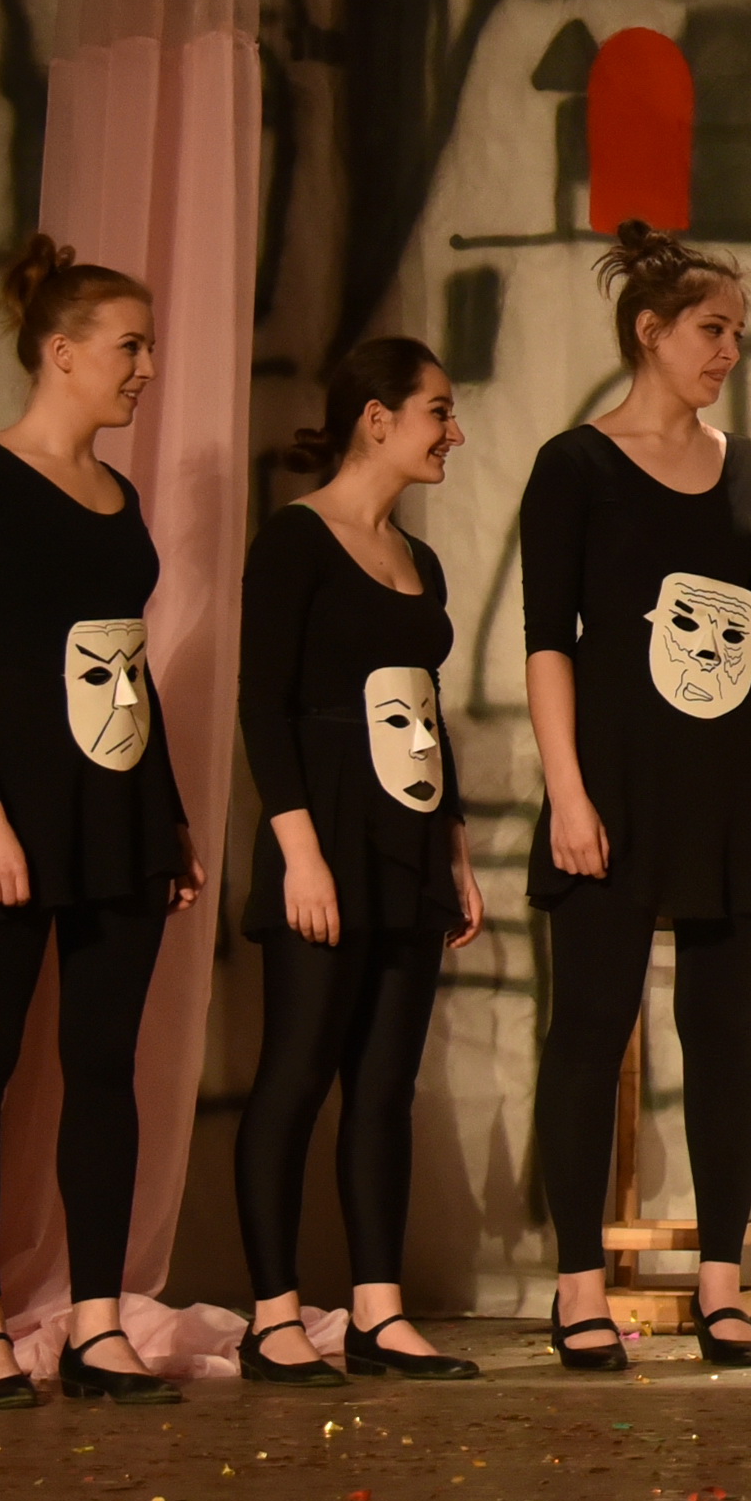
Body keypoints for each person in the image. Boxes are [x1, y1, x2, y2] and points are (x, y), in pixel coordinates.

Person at [520, 226, 751, 1373]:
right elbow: (549, 639)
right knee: (591, 1029)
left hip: (730, 785)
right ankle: (576, 1286)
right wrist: (567, 790)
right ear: (650, 332)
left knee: (722, 1035)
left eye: (738, 331)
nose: (728, 350)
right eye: (711, 328)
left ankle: (720, 1287)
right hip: (615, 783)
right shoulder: (576, 465)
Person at [0, 239, 199, 1411]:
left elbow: (128, 666)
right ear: (63, 349)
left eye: (149, 346)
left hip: (116, 804)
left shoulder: (118, 494)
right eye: (130, 345)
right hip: (17, 801)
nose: (145, 367)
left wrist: (166, 814)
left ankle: (96, 1321)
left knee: (104, 1065)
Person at [233, 334, 486, 1387]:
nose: (453, 432)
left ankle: (378, 1312)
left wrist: (455, 848)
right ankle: (273, 1316)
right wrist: (300, 853)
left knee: (385, 1083)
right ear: (377, 419)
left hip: (408, 835)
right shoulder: (295, 540)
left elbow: (427, 713)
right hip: (325, 831)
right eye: (438, 410)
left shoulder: (419, 560)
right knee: (297, 1073)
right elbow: (264, 704)